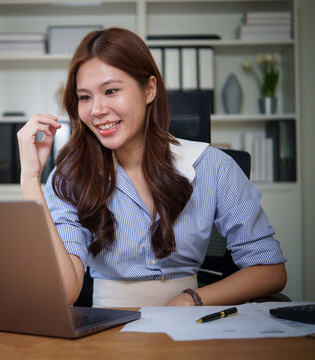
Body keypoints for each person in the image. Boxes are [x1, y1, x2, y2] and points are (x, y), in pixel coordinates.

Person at [16, 27, 286, 307]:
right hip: (108, 334)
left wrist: (192, 299)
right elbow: (65, 291)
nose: (96, 110)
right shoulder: (71, 178)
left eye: (111, 91)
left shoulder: (213, 166)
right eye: (85, 97)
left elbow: (270, 269)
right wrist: (30, 178)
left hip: (192, 325)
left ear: (149, 89)